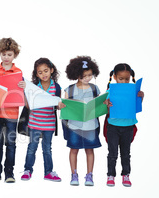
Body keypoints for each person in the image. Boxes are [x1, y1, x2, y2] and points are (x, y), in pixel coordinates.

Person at [0, 37, 26, 183]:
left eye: (9, 54)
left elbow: (22, 94)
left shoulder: (18, 72)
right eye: (3, 54)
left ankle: (9, 172)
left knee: (11, 144)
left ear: (14, 55)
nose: (6, 57)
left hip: (12, 114)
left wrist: (23, 86)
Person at [60, 56, 101, 186]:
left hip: (91, 125)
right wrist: (62, 105)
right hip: (74, 126)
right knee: (74, 150)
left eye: (90, 75)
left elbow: (99, 104)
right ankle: (74, 174)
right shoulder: (70, 90)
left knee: (90, 150)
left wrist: (104, 103)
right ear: (77, 75)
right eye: (84, 76)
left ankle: (89, 175)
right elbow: (64, 106)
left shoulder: (94, 89)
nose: (88, 78)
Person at [21, 58, 62, 182]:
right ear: (36, 74)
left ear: (51, 70)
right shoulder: (33, 87)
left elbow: (57, 105)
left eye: (46, 71)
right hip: (34, 123)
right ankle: (27, 170)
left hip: (49, 124)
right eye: (40, 72)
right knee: (32, 147)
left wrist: (60, 105)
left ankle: (48, 172)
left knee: (47, 149)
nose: (43, 74)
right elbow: (28, 106)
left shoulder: (56, 87)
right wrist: (23, 92)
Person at [104, 63, 144, 187]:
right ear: (115, 77)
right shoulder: (110, 90)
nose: (124, 81)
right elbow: (106, 110)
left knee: (126, 153)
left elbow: (135, 108)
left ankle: (126, 175)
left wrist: (141, 97)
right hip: (113, 126)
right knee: (112, 153)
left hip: (128, 126)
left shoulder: (133, 90)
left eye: (127, 79)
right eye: (121, 79)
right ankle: (111, 175)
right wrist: (106, 104)